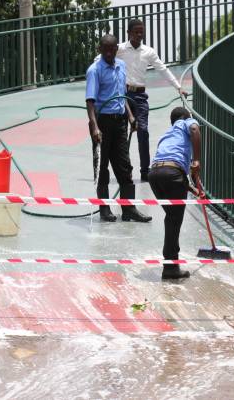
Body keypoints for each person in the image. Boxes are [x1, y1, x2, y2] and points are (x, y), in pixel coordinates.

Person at [86, 34, 152, 223]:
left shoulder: (121, 66)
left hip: (120, 122)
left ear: (116, 49)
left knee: (124, 167)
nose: (109, 53)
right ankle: (104, 209)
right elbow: (90, 102)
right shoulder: (94, 70)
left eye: (112, 49)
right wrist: (95, 127)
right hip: (102, 123)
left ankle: (129, 208)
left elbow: (121, 95)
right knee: (102, 169)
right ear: (100, 49)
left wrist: (131, 116)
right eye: (105, 49)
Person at [117, 19, 189, 182]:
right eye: (136, 31)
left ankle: (144, 170)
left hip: (140, 96)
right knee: (122, 134)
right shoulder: (120, 49)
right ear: (129, 33)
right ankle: (124, 169)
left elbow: (162, 69)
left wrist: (178, 87)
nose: (139, 34)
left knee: (143, 131)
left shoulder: (148, 51)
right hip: (124, 95)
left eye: (141, 31)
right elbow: (100, 58)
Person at [148, 106, 202, 279]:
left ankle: (170, 263)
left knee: (172, 217)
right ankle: (170, 267)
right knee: (174, 219)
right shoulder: (186, 122)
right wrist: (197, 161)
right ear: (185, 118)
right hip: (171, 174)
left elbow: (171, 168)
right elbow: (195, 129)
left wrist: (193, 189)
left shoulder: (167, 134)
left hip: (155, 175)